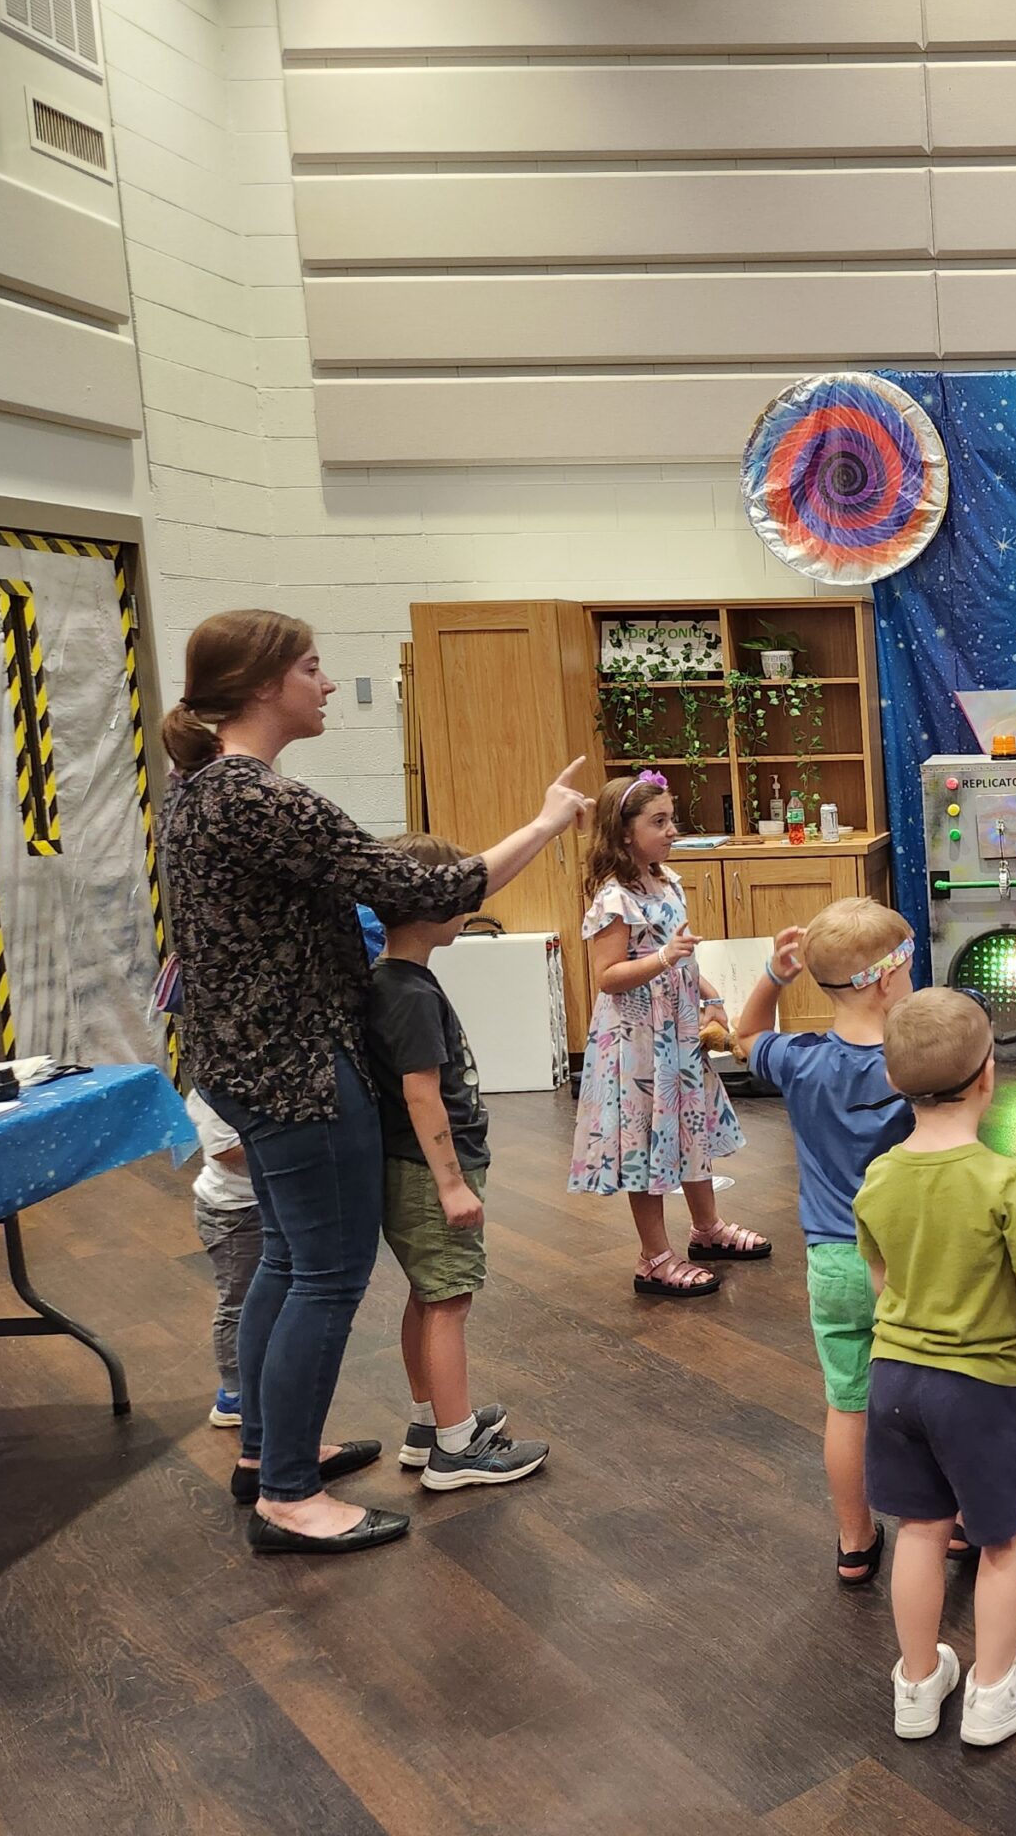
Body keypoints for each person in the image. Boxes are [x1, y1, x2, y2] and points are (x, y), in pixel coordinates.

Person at [158, 609, 590, 1554]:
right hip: (297, 1076)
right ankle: (288, 1496)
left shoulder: (202, 790)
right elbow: (429, 889)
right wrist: (547, 824)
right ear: (264, 683)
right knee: (324, 1274)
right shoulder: (260, 798)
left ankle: (270, 1453)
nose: (325, 685)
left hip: (248, 1069)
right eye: (311, 668)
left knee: (287, 1259)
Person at [854, 988, 1016, 1747]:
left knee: (920, 1528)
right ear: (989, 1076)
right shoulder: (1005, 1181)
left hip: (892, 1382)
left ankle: (916, 1686)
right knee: (1004, 1538)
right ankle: (992, 1693)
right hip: (977, 1391)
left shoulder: (880, 1176)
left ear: (893, 1080)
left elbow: (883, 1284)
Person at [732, 899, 919, 1588]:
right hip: (914, 1261)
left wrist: (774, 977)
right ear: (886, 979)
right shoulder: (917, 1062)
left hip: (835, 1262)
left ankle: (854, 1540)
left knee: (848, 1405)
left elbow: (747, 1036)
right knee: (937, 1392)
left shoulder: (798, 1060)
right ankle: (953, 1524)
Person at [366, 833, 550, 1492]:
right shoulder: (410, 993)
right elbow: (422, 1093)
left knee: (428, 1294)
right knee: (449, 1301)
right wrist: (451, 1185)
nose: (470, 904)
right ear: (428, 904)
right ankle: (457, 1445)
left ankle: (430, 1423)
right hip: (429, 1174)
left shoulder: (390, 980)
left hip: (409, 1169)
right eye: (460, 893)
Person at [569, 773, 760, 1299]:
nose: (672, 830)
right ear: (624, 833)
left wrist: (709, 992)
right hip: (638, 1042)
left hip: (677, 1033)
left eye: (671, 819)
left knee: (689, 1126)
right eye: (659, 822)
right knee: (645, 1141)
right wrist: (663, 958)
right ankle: (653, 1257)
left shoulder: (667, 881)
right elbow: (608, 976)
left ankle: (707, 1228)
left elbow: (682, 957)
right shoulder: (614, 900)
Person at [186, 1090, 259, 1432]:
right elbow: (224, 1150)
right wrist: (284, 1140)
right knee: (237, 1303)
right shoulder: (214, 1087)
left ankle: (258, 1377)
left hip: (258, 1203)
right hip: (232, 1214)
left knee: (265, 1298)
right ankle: (233, 1395)